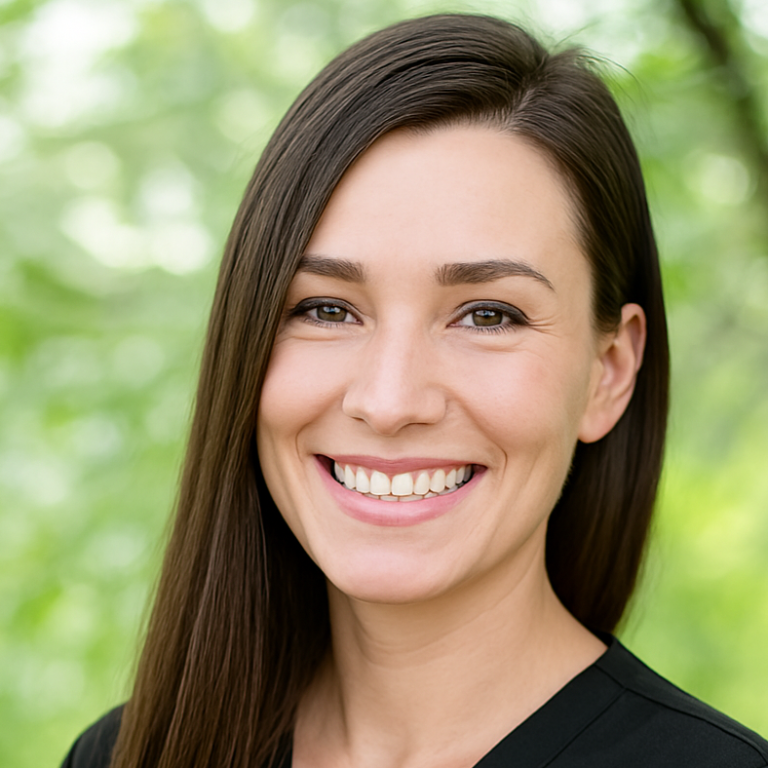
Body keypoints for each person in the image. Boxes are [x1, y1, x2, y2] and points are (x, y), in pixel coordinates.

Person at [61, 13, 768, 768]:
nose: (391, 401)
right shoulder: (126, 754)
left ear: (609, 372)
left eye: (488, 315)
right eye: (325, 309)